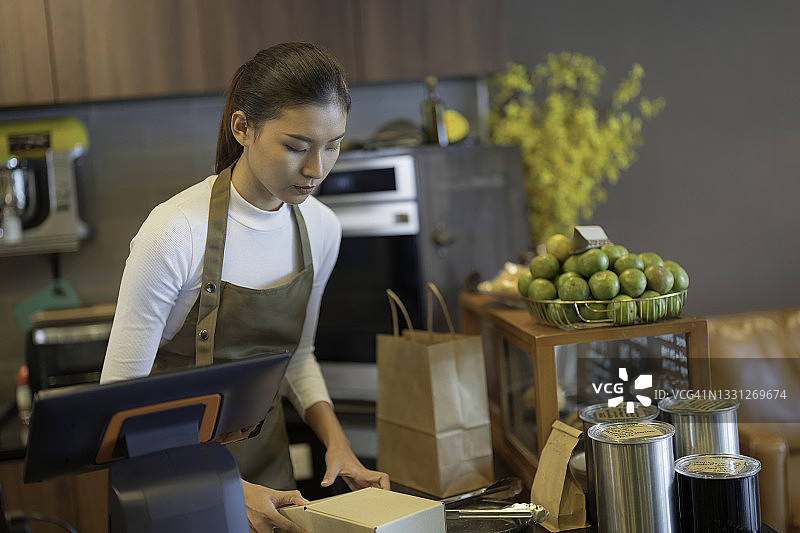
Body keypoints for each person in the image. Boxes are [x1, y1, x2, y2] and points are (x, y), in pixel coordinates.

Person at [100, 42, 390, 532]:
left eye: (333, 145)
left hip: (272, 476)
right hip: (173, 483)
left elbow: (297, 356)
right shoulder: (175, 232)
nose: (317, 169)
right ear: (243, 129)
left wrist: (339, 446)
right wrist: (229, 491)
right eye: (297, 146)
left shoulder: (321, 229)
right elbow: (117, 406)